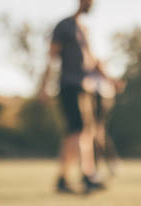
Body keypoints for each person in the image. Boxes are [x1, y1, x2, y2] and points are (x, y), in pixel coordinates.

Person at [38, 0, 121, 194]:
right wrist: (43, 86)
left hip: (86, 87)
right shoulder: (64, 25)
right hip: (70, 85)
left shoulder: (84, 28)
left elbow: (92, 60)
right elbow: (51, 56)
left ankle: (63, 178)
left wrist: (110, 79)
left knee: (77, 132)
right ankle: (87, 174)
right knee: (79, 130)